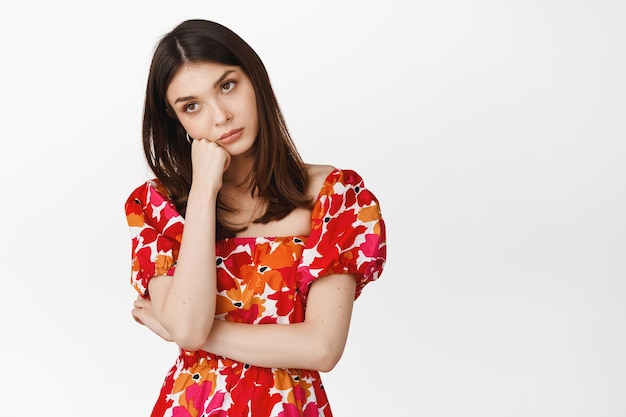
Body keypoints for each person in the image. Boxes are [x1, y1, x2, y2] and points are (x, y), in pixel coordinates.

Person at [124, 18, 387, 417]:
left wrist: (181, 330)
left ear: (255, 79)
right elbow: (190, 327)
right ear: (176, 120)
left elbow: (322, 348)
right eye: (191, 106)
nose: (220, 116)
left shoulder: (335, 196)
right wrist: (202, 192)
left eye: (227, 85)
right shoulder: (158, 206)